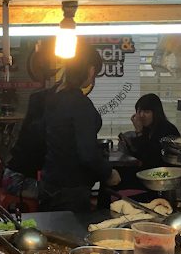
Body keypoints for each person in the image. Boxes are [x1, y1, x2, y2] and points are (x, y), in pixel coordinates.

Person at [39, 41, 121, 212]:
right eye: (95, 73)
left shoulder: (52, 96)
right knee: (72, 236)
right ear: (90, 70)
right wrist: (108, 173)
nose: (93, 78)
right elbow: (88, 154)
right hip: (72, 189)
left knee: (54, 234)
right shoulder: (80, 104)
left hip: (49, 183)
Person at [118, 93, 181, 171]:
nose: (141, 115)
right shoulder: (147, 129)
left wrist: (139, 132)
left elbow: (151, 160)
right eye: (139, 111)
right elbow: (139, 155)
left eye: (146, 112)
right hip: (147, 171)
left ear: (156, 113)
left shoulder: (167, 129)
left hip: (162, 172)